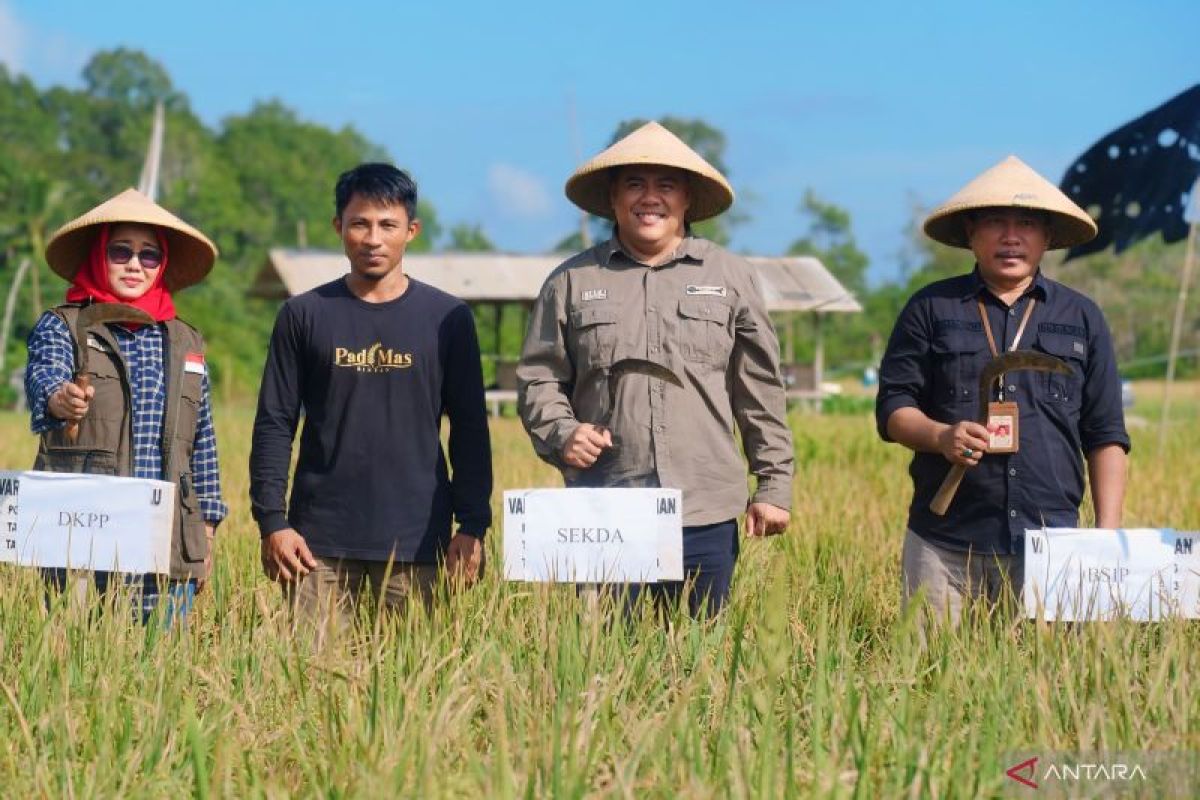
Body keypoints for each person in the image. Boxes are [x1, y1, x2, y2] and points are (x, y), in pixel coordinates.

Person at [517, 122, 793, 617]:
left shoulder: (730, 276)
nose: (650, 198)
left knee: (696, 663)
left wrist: (773, 485)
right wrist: (563, 432)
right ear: (613, 198)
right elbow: (538, 378)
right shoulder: (571, 281)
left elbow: (760, 392)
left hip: (705, 506)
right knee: (601, 665)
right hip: (605, 504)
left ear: (687, 198)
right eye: (635, 184)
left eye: (665, 185)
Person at [876, 156, 1130, 624]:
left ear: (1047, 237)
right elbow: (893, 407)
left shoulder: (1082, 317)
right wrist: (940, 436)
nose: (1011, 237)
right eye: (995, 222)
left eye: (1027, 224)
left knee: (1047, 686)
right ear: (971, 233)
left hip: (1052, 544)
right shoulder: (931, 308)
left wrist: (1106, 538)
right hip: (944, 544)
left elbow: (1106, 432)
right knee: (933, 683)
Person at [250, 163, 492, 636]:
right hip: (316, 547)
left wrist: (473, 525)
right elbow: (275, 422)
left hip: (419, 544)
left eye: (388, 225)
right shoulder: (303, 315)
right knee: (310, 689)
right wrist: (272, 520)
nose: (373, 238)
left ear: (411, 231)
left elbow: (468, 427)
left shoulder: (448, 319)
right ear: (339, 227)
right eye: (360, 223)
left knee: (415, 690)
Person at [26, 188, 227, 623]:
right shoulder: (63, 325)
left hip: (168, 534)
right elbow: (45, 380)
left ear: (162, 264)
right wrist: (62, 399)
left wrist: (206, 529)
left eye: (149, 255)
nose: (135, 264)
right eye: (121, 252)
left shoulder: (185, 340)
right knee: (78, 661)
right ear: (99, 256)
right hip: (84, 532)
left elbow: (203, 442)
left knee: (159, 671)